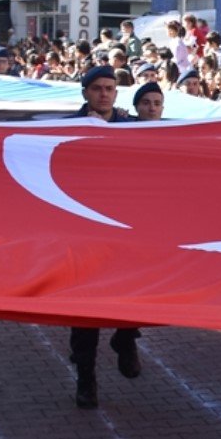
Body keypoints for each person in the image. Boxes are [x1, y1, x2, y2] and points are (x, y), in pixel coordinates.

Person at [65, 66, 141, 408]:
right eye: (97, 88)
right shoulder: (64, 128)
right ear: (85, 92)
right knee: (85, 312)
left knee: (134, 293)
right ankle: (86, 379)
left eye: (110, 88)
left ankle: (126, 338)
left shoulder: (131, 129)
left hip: (123, 231)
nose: (104, 94)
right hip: (81, 234)